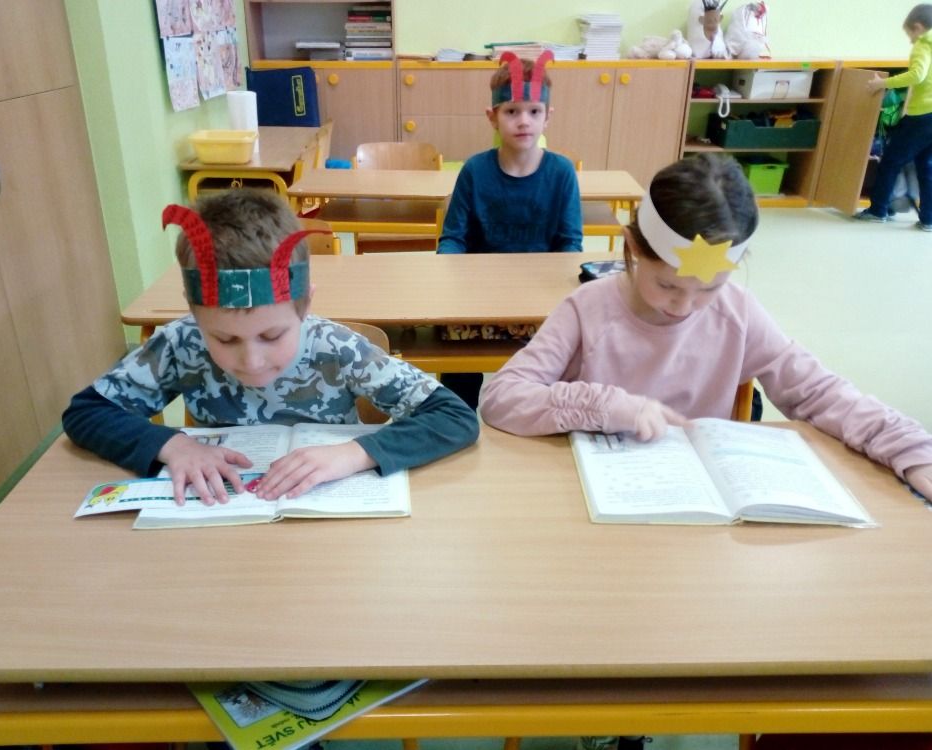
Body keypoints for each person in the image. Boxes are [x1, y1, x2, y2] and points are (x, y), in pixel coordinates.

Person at [480, 153, 932, 504]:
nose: (685, 306)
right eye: (667, 285)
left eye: (710, 288)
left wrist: (911, 450)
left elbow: (820, 393)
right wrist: (606, 405)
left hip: (698, 508)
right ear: (631, 247)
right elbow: (502, 399)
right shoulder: (588, 309)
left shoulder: (738, 313)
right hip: (591, 497)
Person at [63, 189, 479, 505]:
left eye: (272, 336)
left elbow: (454, 416)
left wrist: (355, 454)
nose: (252, 360)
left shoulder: (338, 348)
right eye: (224, 339)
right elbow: (85, 412)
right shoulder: (181, 343)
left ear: (305, 305)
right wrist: (172, 445)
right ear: (193, 311)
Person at [436, 50, 583, 409]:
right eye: (512, 111)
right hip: (477, 298)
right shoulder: (475, 170)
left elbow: (570, 244)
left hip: (537, 299)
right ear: (493, 117)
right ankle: (458, 416)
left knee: (554, 369)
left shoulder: (562, 173)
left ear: (548, 117)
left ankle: (538, 417)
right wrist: (445, 279)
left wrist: (557, 298)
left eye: (534, 112)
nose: (523, 121)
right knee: (454, 362)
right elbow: (453, 237)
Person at [855, 4, 932, 231]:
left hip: (921, 116)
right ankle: (928, 219)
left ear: (918, 27)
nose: (910, 40)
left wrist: (883, 83)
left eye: (910, 35)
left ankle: (878, 210)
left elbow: (917, 75)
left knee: (890, 161)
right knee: (926, 166)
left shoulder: (922, 45)